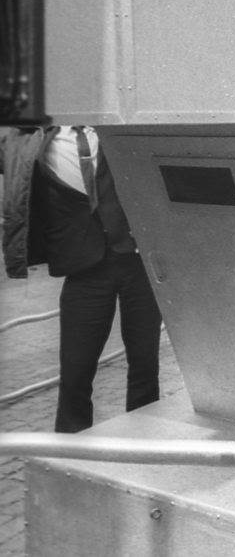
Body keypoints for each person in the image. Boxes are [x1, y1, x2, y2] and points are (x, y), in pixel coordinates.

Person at [1, 126, 162, 433]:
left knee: (145, 361)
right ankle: (71, 445)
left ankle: (144, 440)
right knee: (76, 369)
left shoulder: (120, 130)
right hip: (84, 269)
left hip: (138, 261)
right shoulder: (30, 141)